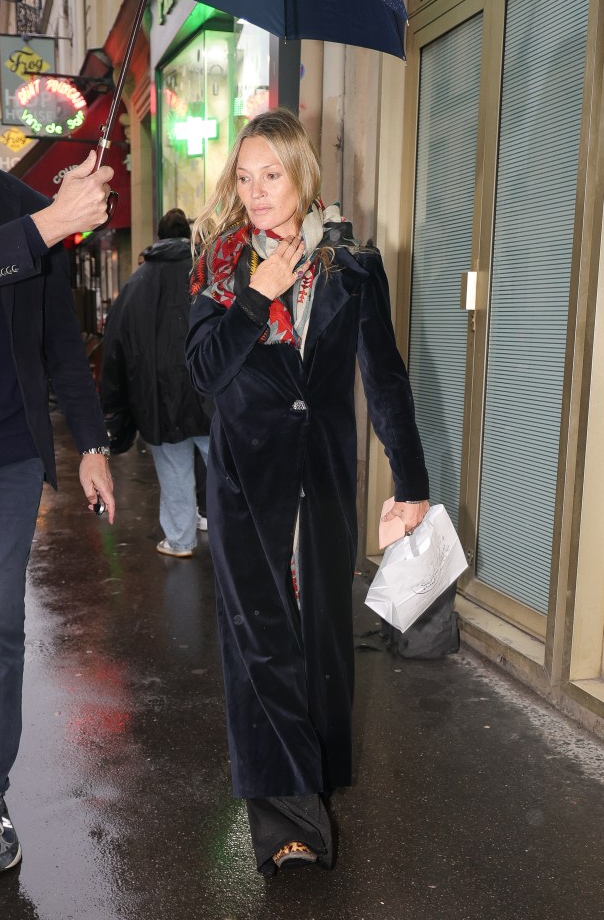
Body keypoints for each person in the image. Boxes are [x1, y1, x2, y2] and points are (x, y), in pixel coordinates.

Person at [186, 108, 430, 876]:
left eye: (272, 175)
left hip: (322, 478)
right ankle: (288, 821)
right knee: (261, 640)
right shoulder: (217, 266)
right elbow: (202, 374)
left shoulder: (352, 265)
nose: (255, 193)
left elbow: (383, 376)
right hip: (244, 484)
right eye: (244, 177)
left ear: (302, 177)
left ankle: (310, 774)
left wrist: (412, 482)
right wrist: (254, 297)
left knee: (319, 634)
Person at [0, 41, 115, 878]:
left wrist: (92, 443)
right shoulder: (38, 218)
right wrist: (47, 225)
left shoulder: (23, 203)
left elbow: (61, 341)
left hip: (6, 459)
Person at [101, 207, 210, 558]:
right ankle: (236, 542)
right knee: (228, 470)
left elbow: (115, 350)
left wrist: (115, 413)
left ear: (159, 237)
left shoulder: (137, 284)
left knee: (175, 470)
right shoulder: (207, 272)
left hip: (158, 399)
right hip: (211, 393)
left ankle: (180, 540)